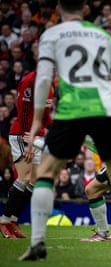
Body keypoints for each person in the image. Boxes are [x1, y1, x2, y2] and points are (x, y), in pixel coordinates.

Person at [19, 0, 111, 261]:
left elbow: (43, 78)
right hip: (105, 110)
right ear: (85, 9)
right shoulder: (103, 35)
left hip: (71, 110)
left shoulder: (51, 35)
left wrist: (36, 123)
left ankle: (37, 243)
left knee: (46, 174)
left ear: (58, 9)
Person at [0, 70, 52, 239]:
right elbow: (22, 111)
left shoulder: (49, 83)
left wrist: (51, 128)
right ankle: (4, 220)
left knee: (35, 181)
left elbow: (45, 115)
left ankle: (13, 220)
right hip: (23, 135)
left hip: (36, 136)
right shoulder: (30, 80)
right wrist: (29, 140)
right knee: (24, 177)